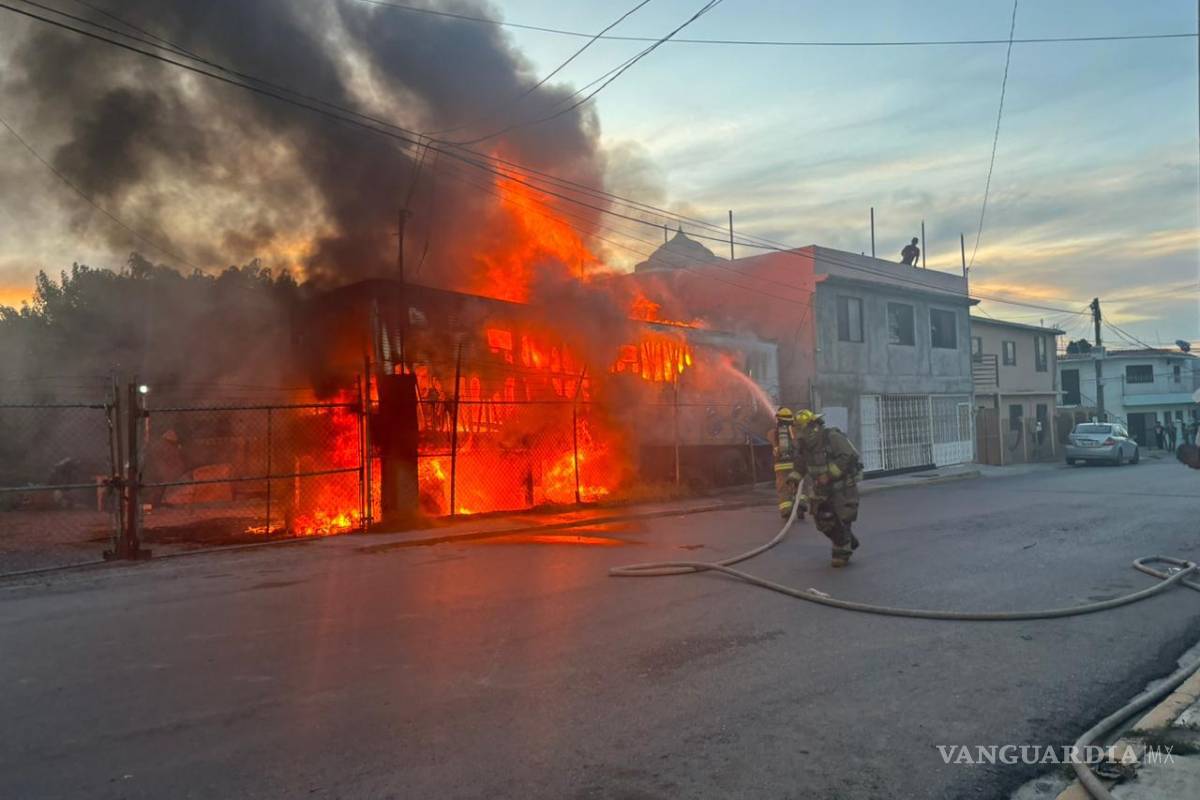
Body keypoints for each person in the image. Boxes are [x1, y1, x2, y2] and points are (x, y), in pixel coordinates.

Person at [792, 410, 863, 568]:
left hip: (842, 488)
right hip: (821, 489)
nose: (798, 433)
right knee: (823, 521)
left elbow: (847, 456)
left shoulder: (831, 437)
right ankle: (848, 540)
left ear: (812, 426)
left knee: (842, 519)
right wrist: (794, 477)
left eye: (800, 428)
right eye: (796, 428)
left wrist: (829, 475)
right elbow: (801, 464)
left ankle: (841, 553)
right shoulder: (805, 445)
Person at [771, 407, 805, 522]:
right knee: (799, 484)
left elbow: (771, 440)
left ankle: (786, 512)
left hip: (781, 466)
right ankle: (801, 505)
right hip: (795, 463)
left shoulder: (772, 432)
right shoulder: (795, 431)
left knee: (784, 488)